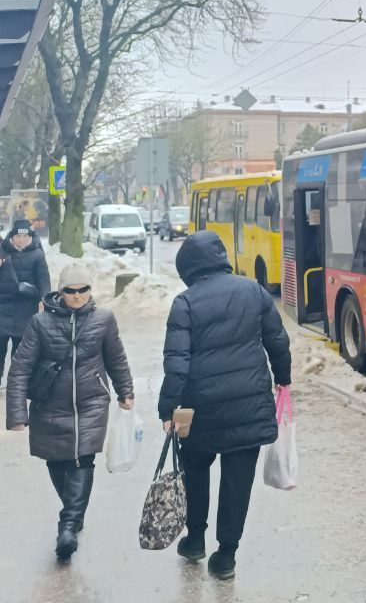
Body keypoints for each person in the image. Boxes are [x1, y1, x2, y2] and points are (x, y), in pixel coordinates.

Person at [159, 230, 291, 581]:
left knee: (194, 469)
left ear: (187, 266)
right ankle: (226, 556)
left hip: (197, 407)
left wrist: (168, 409)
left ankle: (195, 540)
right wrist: (283, 377)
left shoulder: (185, 302)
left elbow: (176, 363)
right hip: (249, 404)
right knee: (237, 482)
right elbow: (277, 340)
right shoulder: (253, 291)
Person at [5, 263, 134, 561]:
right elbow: (21, 368)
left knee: (82, 458)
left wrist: (125, 391)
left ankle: (67, 526)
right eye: (70, 290)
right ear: (60, 292)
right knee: (56, 460)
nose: (77, 296)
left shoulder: (104, 319)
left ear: (90, 290)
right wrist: (16, 413)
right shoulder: (40, 322)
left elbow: (116, 358)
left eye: (83, 289)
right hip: (50, 402)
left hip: (91, 402)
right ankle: (75, 512)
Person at [0, 225, 34, 384]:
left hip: (20, 310)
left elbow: (42, 279)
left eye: (24, 237)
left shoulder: (7, 250)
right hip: (4, 309)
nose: (21, 240)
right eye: (18, 237)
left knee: (19, 351)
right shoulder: (4, 250)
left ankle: (17, 383)